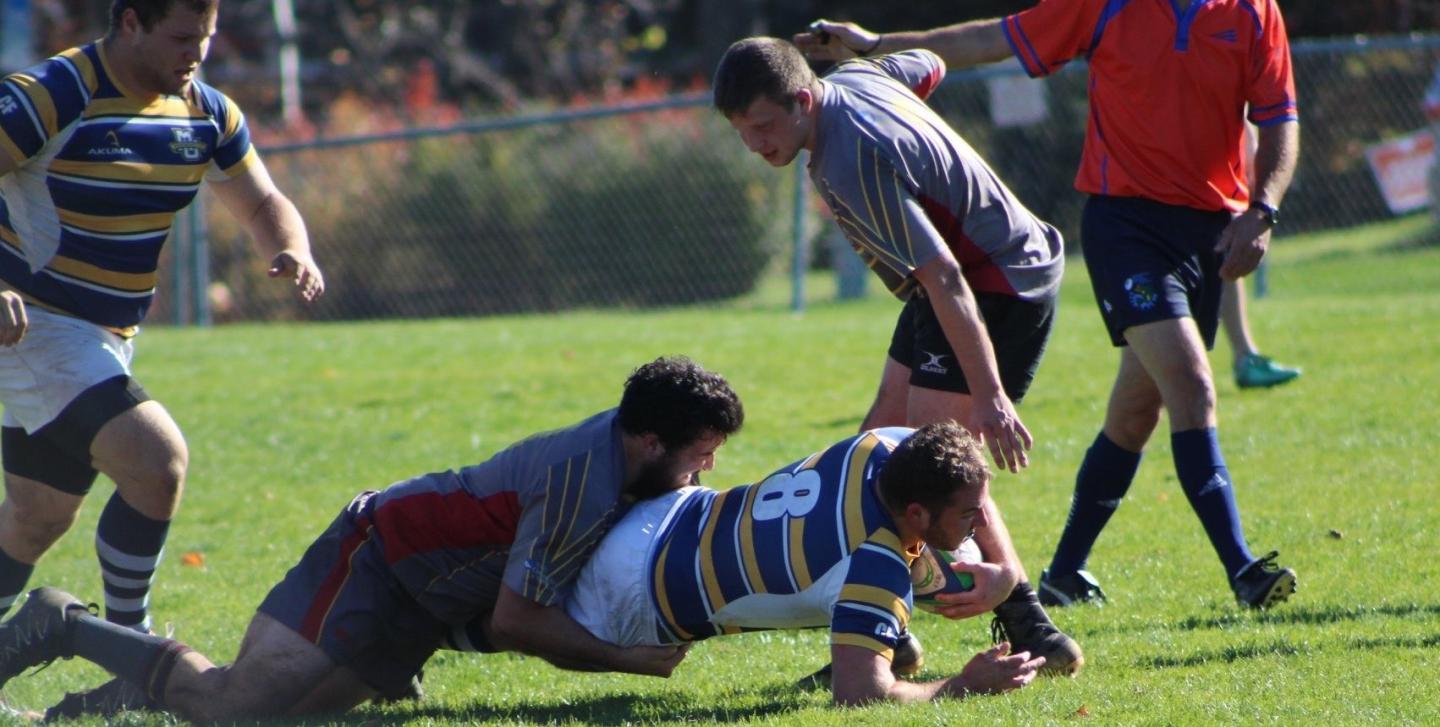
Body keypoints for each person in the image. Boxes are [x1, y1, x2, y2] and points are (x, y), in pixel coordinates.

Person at [798, 0, 1300, 608]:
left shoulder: (1253, 11)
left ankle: (1065, 573)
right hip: (1127, 228)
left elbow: (1279, 118)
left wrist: (1263, 210)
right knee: (1191, 388)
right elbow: (988, 39)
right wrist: (876, 44)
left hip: (1210, 230)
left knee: (1136, 412)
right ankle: (1243, 570)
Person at [0, 356, 745, 721]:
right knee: (239, 709)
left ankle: (111, 699)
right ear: (649, 440)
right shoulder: (582, 481)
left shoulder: (627, 460)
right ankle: (61, 620)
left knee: (287, 717)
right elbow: (519, 620)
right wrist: (626, 661)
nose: (706, 468)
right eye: (701, 452)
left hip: (420, 602)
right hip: (377, 554)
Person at [712, 35, 1074, 678]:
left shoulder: (848, 157)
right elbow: (930, 61)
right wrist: (872, 44)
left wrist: (989, 395)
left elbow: (947, 275)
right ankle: (887, 632)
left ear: (802, 100)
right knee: (875, 442)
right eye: (742, 131)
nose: (755, 144)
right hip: (961, 280)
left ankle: (1032, 628)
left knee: (928, 463)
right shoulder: (860, 75)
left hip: (992, 281)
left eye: (764, 126)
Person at [0, 0, 326, 636]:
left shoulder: (206, 112)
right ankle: (133, 650)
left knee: (37, 516)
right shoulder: (53, 93)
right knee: (157, 462)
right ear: (130, 22)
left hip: (103, 340)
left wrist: (293, 247)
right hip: (34, 326)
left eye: (205, 37)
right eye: (181, 37)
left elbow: (262, 201)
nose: (196, 54)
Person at [562, 422, 1066, 706]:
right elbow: (860, 696)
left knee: (950, 559)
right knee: (941, 576)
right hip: (631, 600)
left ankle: (886, 636)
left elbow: (964, 469)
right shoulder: (874, 565)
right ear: (915, 513)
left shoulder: (883, 445)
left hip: (666, 511)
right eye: (968, 514)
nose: (982, 519)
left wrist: (1007, 570)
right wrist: (965, 685)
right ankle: (878, 635)